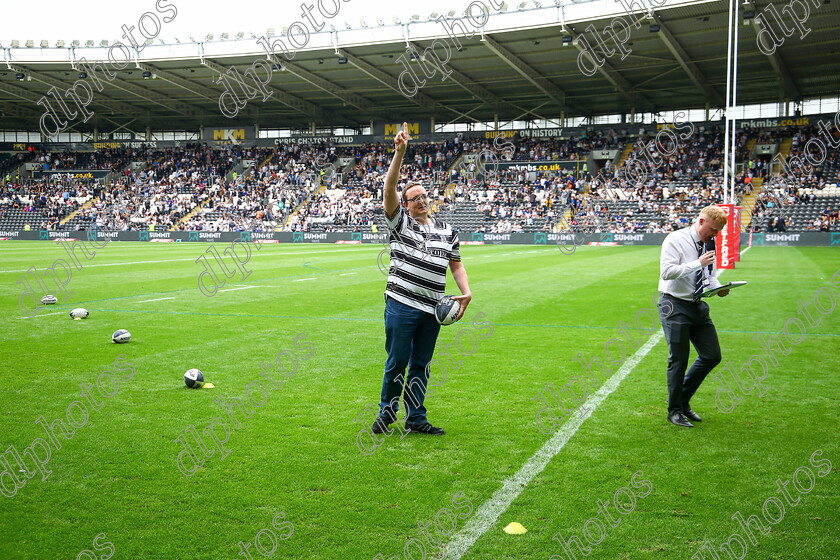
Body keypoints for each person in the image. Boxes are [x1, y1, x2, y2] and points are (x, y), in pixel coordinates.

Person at [371, 122, 472, 436]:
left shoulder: (447, 230)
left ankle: (416, 418)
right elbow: (389, 191)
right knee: (398, 361)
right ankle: (387, 414)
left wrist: (465, 293)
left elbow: (456, 264)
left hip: (432, 309)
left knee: (420, 365)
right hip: (401, 304)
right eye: (414, 198)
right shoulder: (400, 223)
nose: (421, 200)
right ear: (406, 204)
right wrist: (399, 154)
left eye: (424, 196)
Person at [658, 205, 730, 428]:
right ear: (700, 221)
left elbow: (710, 275)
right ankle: (675, 411)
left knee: (712, 355)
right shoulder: (675, 239)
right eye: (713, 229)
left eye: (718, 232)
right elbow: (666, 272)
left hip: (697, 305)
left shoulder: (709, 243)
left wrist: (719, 287)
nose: (714, 235)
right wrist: (697, 263)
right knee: (678, 360)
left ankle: (681, 400)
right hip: (674, 304)